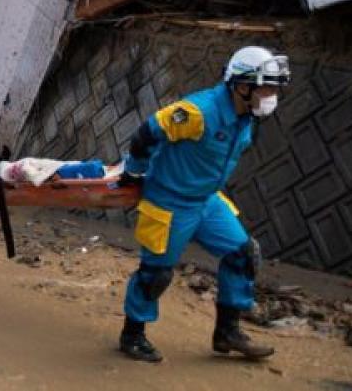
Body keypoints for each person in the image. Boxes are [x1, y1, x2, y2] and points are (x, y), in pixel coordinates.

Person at [117, 46, 290, 363]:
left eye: (275, 88)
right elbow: (148, 132)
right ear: (241, 85)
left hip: (206, 201)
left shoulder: (245, 117)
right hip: (169, 201)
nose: (272, 95)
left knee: (243, 253)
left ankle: (227, 332)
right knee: (155, 274)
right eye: (267, 87)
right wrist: (134, 170)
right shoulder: (198, 112)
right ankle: (132, 334)